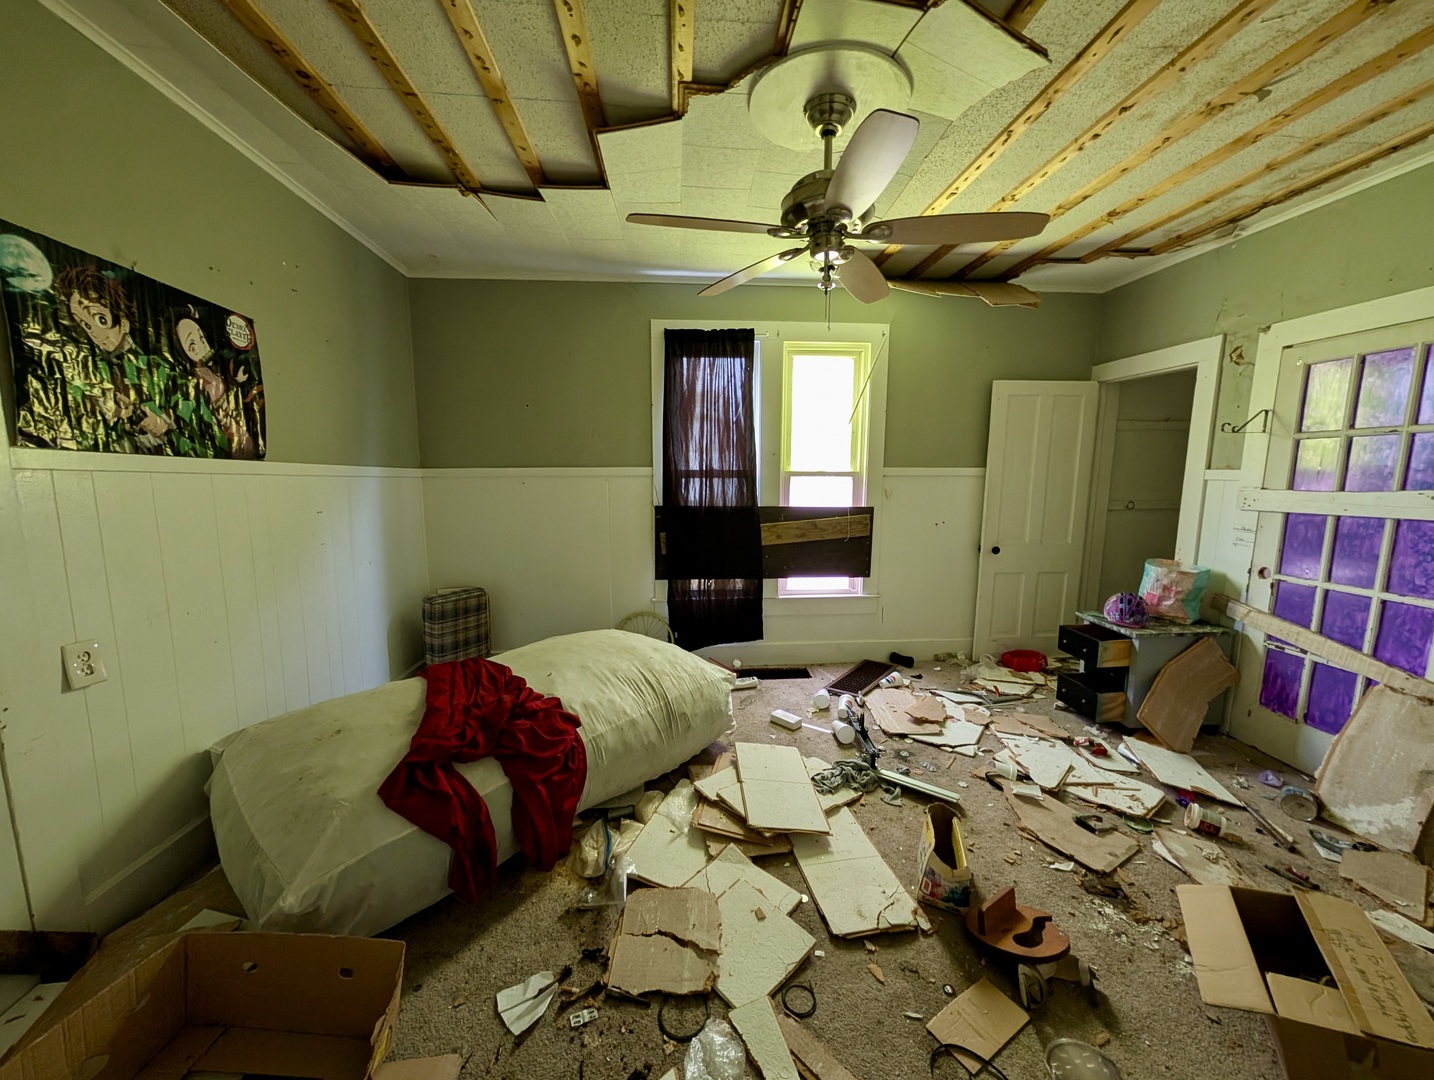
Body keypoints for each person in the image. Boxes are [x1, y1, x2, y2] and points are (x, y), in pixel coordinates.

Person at [53, 264, 173, 452]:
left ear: (123, 322)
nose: (96, 334)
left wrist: (147, 421)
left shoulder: (154, 369)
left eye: (101, 320)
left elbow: (173, 433)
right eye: (86, 325)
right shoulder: (93, 369)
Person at [169, 305, 263, 458]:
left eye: (201, 338)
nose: (202, 346)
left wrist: (236, 381)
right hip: (225, 439)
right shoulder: (192, 382)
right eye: (192, 345)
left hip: (238, 430)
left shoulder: (211, 369)